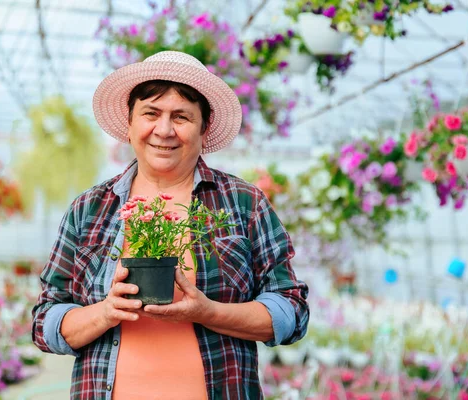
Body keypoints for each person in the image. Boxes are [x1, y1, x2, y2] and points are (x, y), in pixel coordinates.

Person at [31, 51, 309, 400]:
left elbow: (292, 311)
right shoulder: (89, 208)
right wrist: (105, 312)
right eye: (150, 113)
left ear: (204, 128)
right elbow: (44, 322)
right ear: (130, 124)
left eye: (181, 117)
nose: (164, 130)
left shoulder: (243, 202)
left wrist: (210, 312)